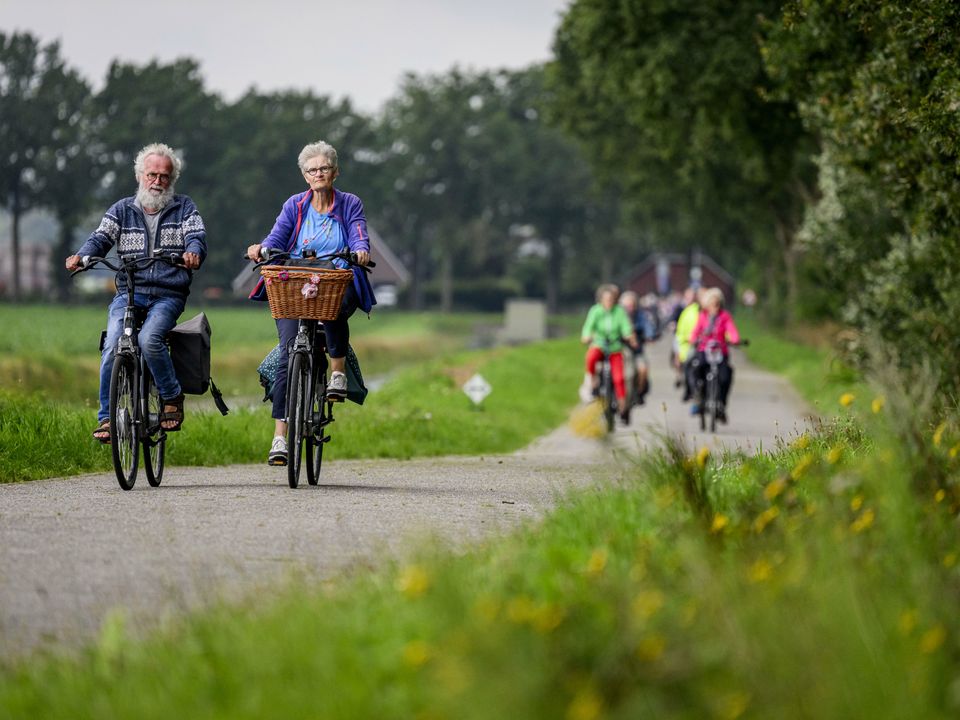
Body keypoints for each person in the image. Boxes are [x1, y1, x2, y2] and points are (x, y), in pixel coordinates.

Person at [65, 142, 206, 442]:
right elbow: (100, 238)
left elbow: (197, 237)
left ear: (172, 180)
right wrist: (82, 256)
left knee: (150, 339)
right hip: (129, 291)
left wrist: (193, 252)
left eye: (164, 176)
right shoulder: (121, 210)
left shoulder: (185, 208)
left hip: (168, 294)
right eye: (152, 174)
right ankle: (106, 419)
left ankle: (171, 397)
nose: (157, 181)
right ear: (140, 175)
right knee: (113, 344)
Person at [246, 140, 376, 466]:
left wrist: (360, 249)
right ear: (305, 176)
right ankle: (280, 436)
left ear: (335, 172)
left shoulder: (349, 203)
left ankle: (337, 374)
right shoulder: (295, 205)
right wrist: (262, 249)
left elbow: (359, 232)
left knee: (332, 308)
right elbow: (277, 237)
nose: (319, 173)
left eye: (324, 168)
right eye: (312, 169)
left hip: (335, 278)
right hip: (295, 284)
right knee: (287, 355)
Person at [581, 284, 638, 423]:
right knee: (591, 357)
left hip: (614, 346)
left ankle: (622, 403)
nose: (609, 302)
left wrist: (628, 336)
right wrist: (587, 336)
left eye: (611, 299)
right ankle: (593, 380)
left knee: (619, 377)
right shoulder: (595, 311)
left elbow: (625, 326)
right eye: (606, 299)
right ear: (601, 300)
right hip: (599, 344)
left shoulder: (619, 311)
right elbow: (588, 326)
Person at [686, 287, 741, 421]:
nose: (714, 307)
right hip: (704, 350)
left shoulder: (725, 316)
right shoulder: (702, 316)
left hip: (720, 351)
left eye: (717, 304)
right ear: (706, 304)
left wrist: (735, 339)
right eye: (711, 304)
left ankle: (721, 403)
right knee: (696, 368)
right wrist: (693, 339)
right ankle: (699, 395)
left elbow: (732, 330)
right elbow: (695, 331)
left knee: (726, 375)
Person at [618, 290, 657, 406]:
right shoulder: (619, 316)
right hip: (622, 349)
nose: (630, 308)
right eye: (627, 306)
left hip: (637, 350)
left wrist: (650, 336)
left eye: (632, 305)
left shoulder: (641, 315)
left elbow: (648, 327)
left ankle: (640, 393)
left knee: (643, 369)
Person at [674, 286, 702, 399]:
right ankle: (689, 388)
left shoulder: (705, 312)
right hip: (689, 344)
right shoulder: (685, 311)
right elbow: (680, 331)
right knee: (687, 364)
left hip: (705, 345)